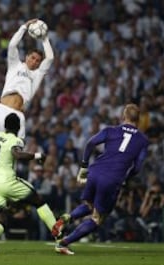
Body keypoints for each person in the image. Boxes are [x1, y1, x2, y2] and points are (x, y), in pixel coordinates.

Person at [53, 103, 149, 255]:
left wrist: (84, 166)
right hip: (112, 178)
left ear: (123, 116)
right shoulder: (143, 140)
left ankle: (66, 218)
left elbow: (91, 143)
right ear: (138, 119)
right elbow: (137, 167)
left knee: (89, 205)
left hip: (95, 171)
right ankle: (64, 243)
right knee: (98, 218)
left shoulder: (111, 130)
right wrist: (126, 178)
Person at [0, 113, 60, 254]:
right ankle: (60, 238)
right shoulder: (14, 139)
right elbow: (17, 154)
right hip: (6, 181)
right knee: (38, 201)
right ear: (18, 127)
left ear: (5, 126)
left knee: (1, 220)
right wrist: (38, 155)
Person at [0, 18, 54, 139]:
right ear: (26, 57)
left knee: (15, 149)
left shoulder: (37, 74)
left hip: (18, 113)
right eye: (32, 57)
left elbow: (50, 58)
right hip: (2, 109)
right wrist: (24, 27)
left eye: (37, 60)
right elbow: (12, 45)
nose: (34, 61)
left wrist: (44, 38)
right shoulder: (15, 65)